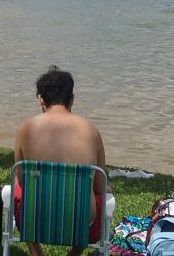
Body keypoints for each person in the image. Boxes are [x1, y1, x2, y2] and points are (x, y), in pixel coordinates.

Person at [11, 66, 114, 256]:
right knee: (99, 197)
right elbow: (99, 187)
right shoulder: (91, 131)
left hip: (34, 219)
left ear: (41, 99)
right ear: (72, 99)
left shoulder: (25, 129)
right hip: (82, 222)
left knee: (20, 190)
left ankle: (35, 250)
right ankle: (74, 253)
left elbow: (22, 180)